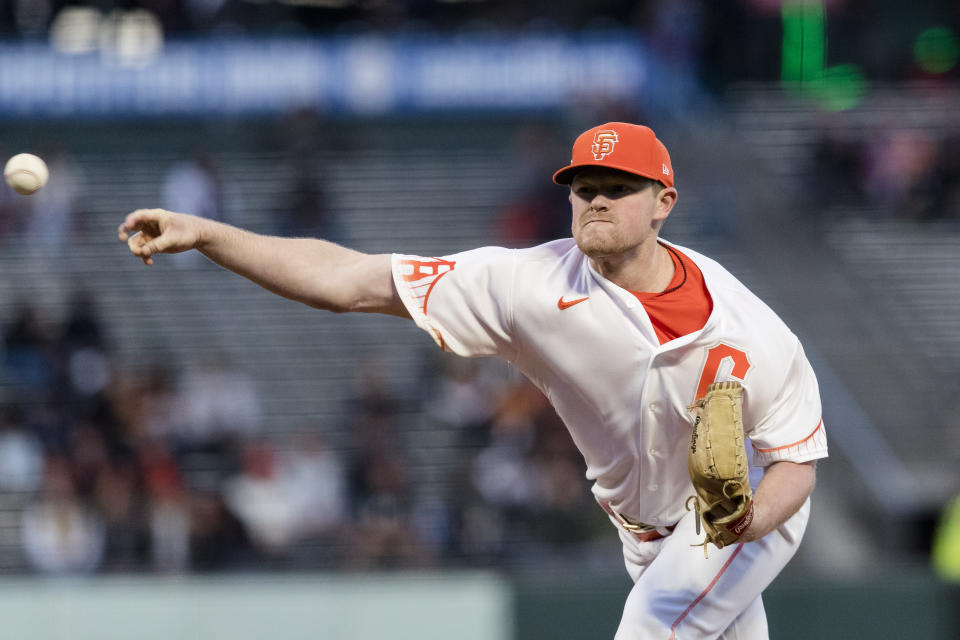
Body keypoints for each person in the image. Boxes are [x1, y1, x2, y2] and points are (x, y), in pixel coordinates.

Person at [118, 122, 828, 639]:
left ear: (663, 202)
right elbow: (344, 280)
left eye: (618, 188)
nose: (596, 201)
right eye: (584, 188)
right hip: (641, 532)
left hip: (739, 510)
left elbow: (797, 461)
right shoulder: (525, 286)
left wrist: (743, 521)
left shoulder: (748, 328)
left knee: (653, 625)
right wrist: (211, 234)